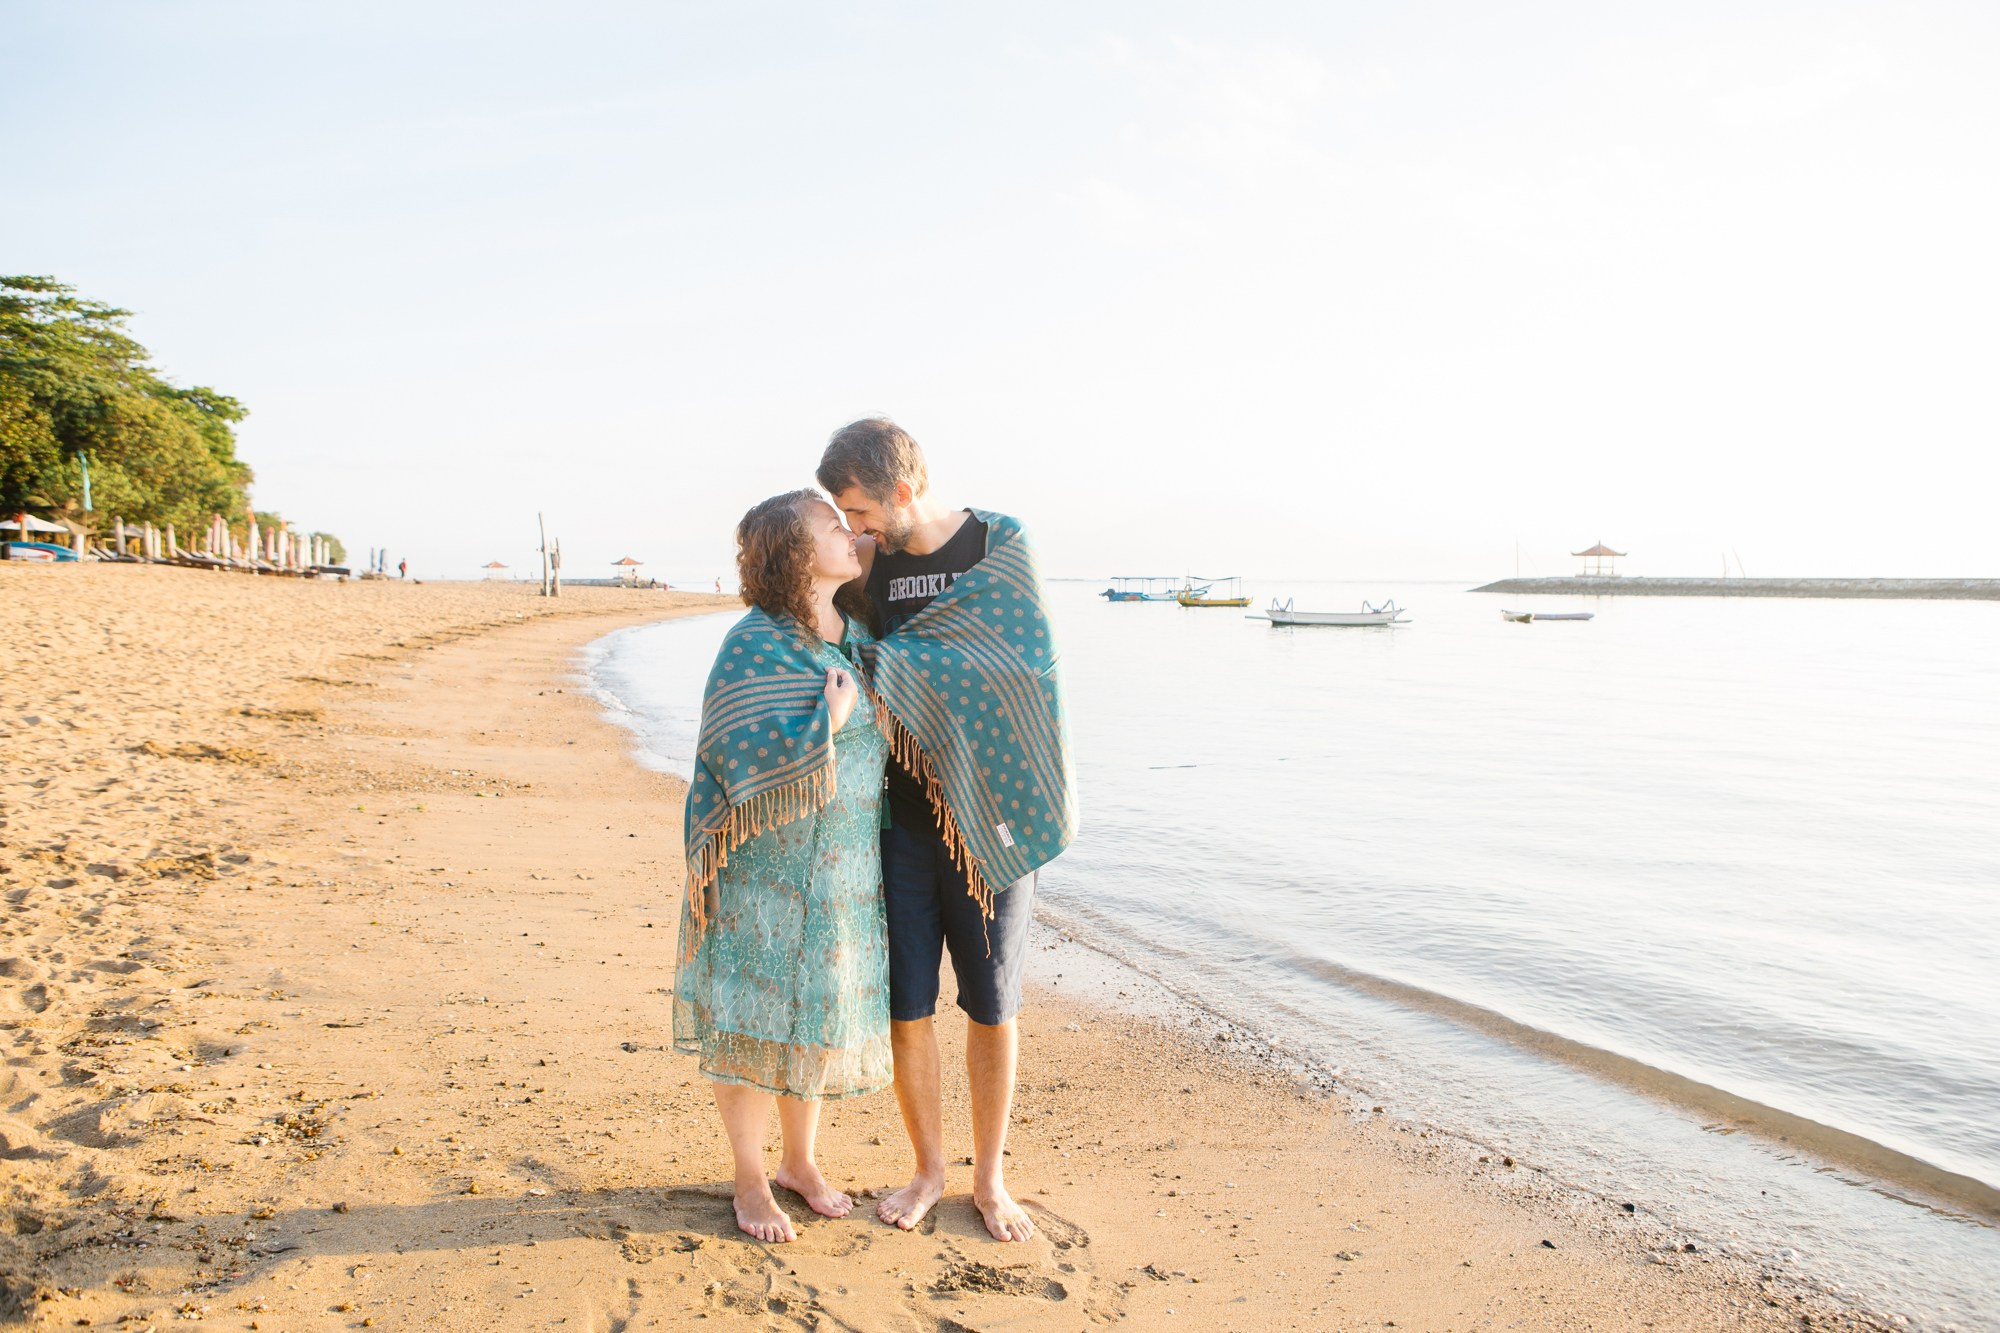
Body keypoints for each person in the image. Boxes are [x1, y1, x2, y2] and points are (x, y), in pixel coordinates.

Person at [816, 418, 1077, 1243]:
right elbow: (828, 638)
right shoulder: (871, 565)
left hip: (990, 817)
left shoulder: (998, 546)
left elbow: (1024, 665)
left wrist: (892, 668)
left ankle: (989, 1178)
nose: (854, 527)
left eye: (860, 510)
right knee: (908, 1004)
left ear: (901, 490)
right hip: (900, 819)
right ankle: (929, 1168)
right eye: (843, 516)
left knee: (993, 1005)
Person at [674, 490, 892, 1243]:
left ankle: (800, 1162)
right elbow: (729, 750)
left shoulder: (859, 635)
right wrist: (826, 723)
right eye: (831, 525)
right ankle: (750, 1176)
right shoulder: (753, 642)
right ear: (795, 553)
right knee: (753, 1022)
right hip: (762, 873)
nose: (848, 532)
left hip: (842, 872)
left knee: (816, 1018)